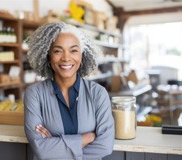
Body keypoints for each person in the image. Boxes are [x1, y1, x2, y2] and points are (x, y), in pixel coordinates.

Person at [24, 21, 114, 160]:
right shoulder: (34, 94)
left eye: (73, 50)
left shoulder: (98, 93)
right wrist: (88, 137)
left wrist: (55, 146)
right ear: (48, 56)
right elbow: (41, 150)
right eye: (58, 51)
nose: (66, 58)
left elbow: (105, 146)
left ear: (82, 56)